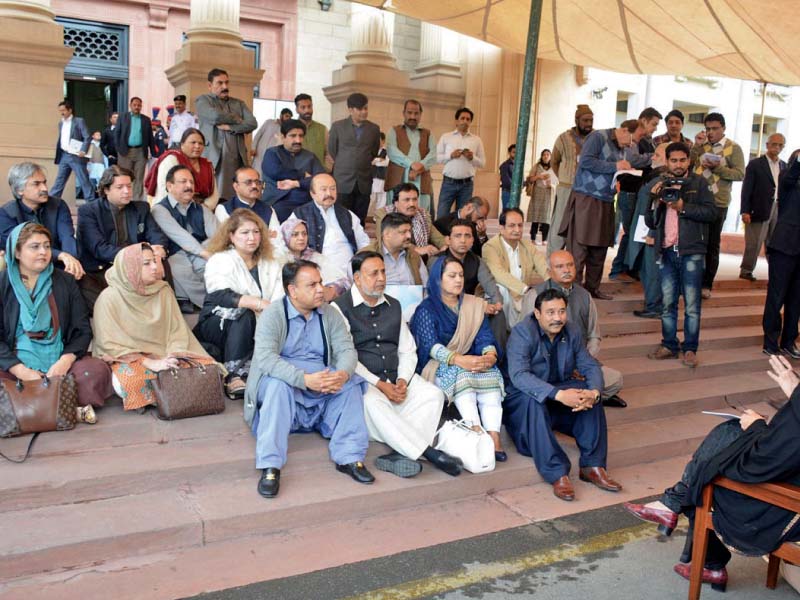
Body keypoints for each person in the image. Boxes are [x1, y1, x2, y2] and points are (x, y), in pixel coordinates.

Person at [624, 355, 800, 593]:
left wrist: (756, 427)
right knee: (724, 443)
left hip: (784, 508)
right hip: (789, 484)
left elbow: (760, 462)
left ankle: (702, 549)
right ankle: (678, 513)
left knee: (707, 476)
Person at [244, 260, 374, 499]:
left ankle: (349, 457)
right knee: (277, 387)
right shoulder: (272, 314)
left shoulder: (329, 313)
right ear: (292, 290)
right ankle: (270, 465)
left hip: (321, 382)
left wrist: (341, 374)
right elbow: (265, 359)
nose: (320, 289)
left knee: (351, 385)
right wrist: (304, 379)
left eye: (321, 283)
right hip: (286, 381)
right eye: (312, 285)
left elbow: (347, 350)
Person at [333, 251, 462, 478]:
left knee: (433, 395)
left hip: (396, 377)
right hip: (364, 381)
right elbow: (346, 357)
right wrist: (380, 384)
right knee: (371, 403)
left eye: (383, 271)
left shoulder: (394, 305)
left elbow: (407, 349)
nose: (381, 278)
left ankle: (399, 454)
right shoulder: (339, 308)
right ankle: (429, 453)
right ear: (357, 278)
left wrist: (402, 380)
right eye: (374, 273)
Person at [504, 288, 621, 501]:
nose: (557, 318)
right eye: (550, 313)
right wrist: (558, 394)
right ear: (537, 314)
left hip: (557, 392)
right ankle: (557, 473)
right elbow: (519, 376)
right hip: (523, 399)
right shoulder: (522, 332)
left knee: (587, 393)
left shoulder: (572, 331)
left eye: (561, 311)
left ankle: (592, 466)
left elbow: (589, 365)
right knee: (533, 400)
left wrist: (594, 392)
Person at [0, 223, 113, 414]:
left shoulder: (64, 281)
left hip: (60, 363)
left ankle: (29, 407)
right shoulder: (3, 284)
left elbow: (82, 330)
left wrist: (64, 362)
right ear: (17, 252)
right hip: (15, 364)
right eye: (34, 247)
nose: (43, 252)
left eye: (46, 246)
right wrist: (21, 371)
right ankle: (64, 406)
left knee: (96, 372)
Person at [92, 243, 219, 411]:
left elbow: (176, 330)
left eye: (154, 261)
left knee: (206, 369)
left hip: (166, 352)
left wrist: (173, 355)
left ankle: (158, 396)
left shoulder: (163, 291)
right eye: (146, 263)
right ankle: (167, 393)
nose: (154, 267)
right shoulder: (108, 298)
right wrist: (150, 362)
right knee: (128, 381)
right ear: (130, 267)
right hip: (132, 358)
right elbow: (109, 345)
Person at [410, 255, 506, 461]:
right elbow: (430, 346)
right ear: (438, 280)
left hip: (469, 360)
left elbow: (484, 335)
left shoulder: (473, 304)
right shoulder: (427, 309)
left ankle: (494, 436)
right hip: (438, 365)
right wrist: (459, 359)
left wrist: (489, 355)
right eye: (451, 276)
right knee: (463, 377)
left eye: (461, 275)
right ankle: (476, 431)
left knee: (491, 373)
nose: (458, 280)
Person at [194, 208, 285, 399]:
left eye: (256, 232)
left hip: (264, 318)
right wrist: (258, 303)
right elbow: (220, 296)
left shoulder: (271, 262)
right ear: (231, 236)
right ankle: (234, 375)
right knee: (244, 313)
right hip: (218, 323)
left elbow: (279, 296)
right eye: (244, 233)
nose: (251, 238)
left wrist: (271, 309)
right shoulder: (220, 260)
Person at [646, 142, 717, 368]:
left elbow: (711, 213)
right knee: (667, 304)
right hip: (666, 251)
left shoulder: (699, 183)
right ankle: (669, 344)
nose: (678, 165)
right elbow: (650, 221)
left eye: (682, 160)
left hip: (692, 251)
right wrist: (652, 199)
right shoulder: (660, 183)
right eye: (673, 160)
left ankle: (690, 349)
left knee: (692, 305)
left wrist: (682, 206)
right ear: (667, 161)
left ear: (689, 161)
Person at [532, 250, 626, 408]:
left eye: (570, 265)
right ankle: (580, 399)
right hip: (546, 367)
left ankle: (577, 400)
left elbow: (594, 336)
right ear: (549, 272)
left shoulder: (584, 296)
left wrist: (582, 364)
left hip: (578, 363)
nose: (566, 270)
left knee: (615, 380)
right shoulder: (536, 295)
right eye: (560, 266)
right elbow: (528, 339)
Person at [559, 119, 639, 300]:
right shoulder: (598, 137)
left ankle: (592, 288)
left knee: (600, 248)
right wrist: (615, 166)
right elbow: (586, 161)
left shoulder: (623, 148)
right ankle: (574, 293)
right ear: (625, 130)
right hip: (586, 198)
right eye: (632, 139)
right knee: (579, 248)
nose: (632, 144)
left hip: (606, 200)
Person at [76, 165, 168, 310]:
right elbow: (99, 249)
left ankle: (164, 310)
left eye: (129, 186)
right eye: (120, 187)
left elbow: (156, 235)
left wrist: (158, 250)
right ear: (106, 190)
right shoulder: (89, 211)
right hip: (103, 267)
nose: (126, 191)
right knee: (107, 305)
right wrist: (137, 254)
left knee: (160, 260)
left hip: (138, 265)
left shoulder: (141, 208)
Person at [690, 112, 745, 299]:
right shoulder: (701, 145)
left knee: (712, 244)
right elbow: (689, 165)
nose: (711, 132)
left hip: (718, 202)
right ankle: (690, 280)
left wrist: (717, 168)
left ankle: (707, 284)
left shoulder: (733, 148)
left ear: (723, 128)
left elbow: (740, 174)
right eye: (708, 129)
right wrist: (696, 147)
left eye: (715, 129)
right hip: (697, 199)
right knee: (694, 241)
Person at [0, 162, 84, 281]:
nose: (44, 188)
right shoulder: (6, 214)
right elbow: (22, 246)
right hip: (26, 269)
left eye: (44, 182)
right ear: (19, 190)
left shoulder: (58, 205)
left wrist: (70, 260)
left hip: (60, 266)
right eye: (36, 184)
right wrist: (61, 255)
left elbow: (67, 237)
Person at [151, 165, 218, 312]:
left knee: (212, 269)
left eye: (191, 182)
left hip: (201, 250)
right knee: (181, 270)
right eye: (183, 182)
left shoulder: (201, 208)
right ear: (170, 186)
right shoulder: (159, 209)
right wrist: (206, 253)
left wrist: (212, 251)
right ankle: (212, 306)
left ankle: (190, 300)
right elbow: (179, 236)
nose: (189, 186)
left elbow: (217, 234)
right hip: (175, 252)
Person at [608, 107, 662, 283]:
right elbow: (631, 160)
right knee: (631, 231)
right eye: (653, 124)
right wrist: (652, 158)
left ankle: (627, 267)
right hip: (629, 191)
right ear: (643, 121)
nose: (654, 128)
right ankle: (618, 268)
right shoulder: (631, 138)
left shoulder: (647, 141)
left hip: (637, 191)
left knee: (635, 231)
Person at [445, 219, 508, 350]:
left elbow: (490, 284)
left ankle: (497, 357)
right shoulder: (438, 261)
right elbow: (441, 296)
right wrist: (478, 307)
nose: (463, 240)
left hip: (471, 309)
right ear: (448, 240)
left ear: (473, 240)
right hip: (447, 309)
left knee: (498, 315)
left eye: (467, 236)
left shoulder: (476, 261)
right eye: (458, 236)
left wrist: (497, 304)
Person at [196, 68, 258, 201]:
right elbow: (215, 116)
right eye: (219, 83)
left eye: (226, 82)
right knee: (213, 197)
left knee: (238, 195)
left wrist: (230, 127)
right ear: (209, 85)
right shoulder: (203, 100)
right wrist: (237, 119)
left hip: (237, 158)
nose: (225, 87)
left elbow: (252, 123)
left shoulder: (238, 103)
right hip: (214, 158)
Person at [483, 208, 548, 328]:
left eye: (520, 225)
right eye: (512, 226)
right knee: (502, 289)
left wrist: (552, 282)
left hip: (523, 295)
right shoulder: (490, 247)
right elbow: (498, 273)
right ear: (501, 228)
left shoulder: (527, 245)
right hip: (505, 294)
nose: (517, 230)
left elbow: (542, 265)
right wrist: (525, 289)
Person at [762, 150, 800, 359]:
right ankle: (770, 342)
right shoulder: (788, 181)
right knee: (776, 297)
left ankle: (789, 342)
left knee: (796, 300)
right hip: (783, 248)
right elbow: (791, 175)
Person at [627, 143, 668, 319]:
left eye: (657, 155)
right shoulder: (656, 175)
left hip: (652, 230)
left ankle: (655, 306)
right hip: (644, 226)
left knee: (652, 270)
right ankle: (652, 304)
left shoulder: (664, 179)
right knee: (645, 268)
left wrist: (653, 234)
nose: (652, 157)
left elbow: (660, 210)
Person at [292, 173, 370, 266]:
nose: (329, 193)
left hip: (347, 271)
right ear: (312, 193)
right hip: (315, 270)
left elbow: (364, 242)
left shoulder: (347, 214)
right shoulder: (299, 214)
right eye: (323, 189)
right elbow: (285, 241)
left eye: (333, 189)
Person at [328, 92, 381, 225]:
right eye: (360, 109)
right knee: (341, 219)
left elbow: (373, 152)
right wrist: (346, 162)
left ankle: (359, 246)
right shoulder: (337, 127)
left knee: (359, 220)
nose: (364, 112)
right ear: (350, 109)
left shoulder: (374, 129)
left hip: (363, 181)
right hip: (343, 181)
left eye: (366, 108)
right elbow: (333, 150)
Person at [548, 104, 594, 257]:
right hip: (566, 189)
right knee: (559, 225)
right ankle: (552, 261)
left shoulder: (596, 138)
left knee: (582, 227)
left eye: (591, 120)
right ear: (576, 120)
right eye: (585, 120)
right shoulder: (563, 138)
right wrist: (565, 178)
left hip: (588, 191)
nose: (588, 124)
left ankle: (574, 262)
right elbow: (554, 161)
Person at [739, 133, 786, 282]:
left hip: (778, 207)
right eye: (774, 144)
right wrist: (745, 210)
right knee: (754, 242)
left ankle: (775, 272)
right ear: (767, 145)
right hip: (758, 208)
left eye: (780, 145)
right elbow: (746, 189)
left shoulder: (784, 165)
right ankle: (746, 270)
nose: (776, 147)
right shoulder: (755, 164)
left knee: (775, 243)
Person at [261, 119, 325, 222]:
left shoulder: (310, 157)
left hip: (305, 202)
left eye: (301, 136)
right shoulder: (272, 153)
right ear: (283, 137)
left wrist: (297, 183)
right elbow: (275, 172)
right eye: (293, 136)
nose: (298, 140)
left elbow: (321, 180)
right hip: (278, 201)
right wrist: (302, 175)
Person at [216, 167, 285, 254]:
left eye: (257, 182)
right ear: (236, 186)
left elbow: (276, 239)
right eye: (249, 182)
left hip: (265, 255)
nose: (254, 186)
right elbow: (228, 241)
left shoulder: (268, 209)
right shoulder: (223, 209)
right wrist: (264, 235)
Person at [147, 127, 218, 211]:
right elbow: (164, 190)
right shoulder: (171, 160)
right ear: (182, 144)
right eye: (193, 142)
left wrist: (204, 209)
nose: (197, 146)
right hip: (172, 209)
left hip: (202, 209)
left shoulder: (207, 165)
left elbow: (214, 194)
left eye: (201, 143)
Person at [280, 216, 349, 302]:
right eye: (295, 234)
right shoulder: (278, 260)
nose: (301, 238)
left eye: (304, 234)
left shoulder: (316, 257)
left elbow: (343, 281)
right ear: (285, 236)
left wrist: (331, 290)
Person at [384, 99, 437, 210]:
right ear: (404, 113)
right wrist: (411, 163)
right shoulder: (394, 131)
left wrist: (419, 168)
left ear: (420, 114)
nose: (413, 116)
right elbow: (392, 151)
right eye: (409, 112)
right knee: (395, 216)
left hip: (422, 181)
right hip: (398, 179)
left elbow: (433, 155)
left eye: (416, 113)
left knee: (421, 215)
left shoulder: (428, 134)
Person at [436, 107, 486, 219]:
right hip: (448, 183)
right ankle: (441, 236)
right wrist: (450, 155)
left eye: (468, 119)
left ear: (470, 122)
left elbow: (482, 163)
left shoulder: (476, 140)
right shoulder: (446, 137)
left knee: (463, 216)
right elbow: (437, 158)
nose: (465, 121)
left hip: (466, 185)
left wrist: (472, 157)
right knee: (442, 214)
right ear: (456, 121)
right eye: (462, 118)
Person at [374, 183, 446, 260]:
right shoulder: (384, 214)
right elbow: (384, 241)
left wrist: (445, 246)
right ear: (396, 203)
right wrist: (416, 249)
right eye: (407, 200)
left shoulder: (422, 215)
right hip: (395, 258)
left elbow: (438, 238)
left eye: (414, 199)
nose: (412, 204)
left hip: (420, 259)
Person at [361, 212, 428, 286]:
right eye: (403, 232)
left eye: (409, 231)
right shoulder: (367, 256)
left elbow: (426, 287)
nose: (409, 236)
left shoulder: (413, 254)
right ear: (387, 235)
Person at [49, 100, 95, 202]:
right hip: (64, 155)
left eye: (64, 110)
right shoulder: (60, 123)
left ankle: (91, 203)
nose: (62, 113)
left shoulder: (79, 121)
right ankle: (51, 201)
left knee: (83, 180)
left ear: (70, 110)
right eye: (60, 110)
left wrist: (83, 150)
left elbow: (87, 136)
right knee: (59, 180)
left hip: (76, 155)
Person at [115, 97, 153, 201]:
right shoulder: (123, 117)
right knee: (124, 177)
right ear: (130, 105)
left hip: (141, 152)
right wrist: (118, 149)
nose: (137, 107)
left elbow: (150, 137)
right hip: (125, 152)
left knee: (138, 178)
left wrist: (153, 152)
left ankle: (137, 202)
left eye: (139, 105)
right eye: (135, 105)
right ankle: (124, 199)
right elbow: (117, 133)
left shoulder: (146, 119)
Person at [525, 149, 557, 243]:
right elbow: (529, 179)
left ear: (551, 156)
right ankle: (533, 238)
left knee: (546, 217)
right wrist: (538, 177)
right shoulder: (537, 166)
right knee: (535, 216)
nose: (546, 156)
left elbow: (558, 181)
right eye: (544, 155)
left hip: (548, 194)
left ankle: (545, 239)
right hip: (537, 193)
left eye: (548, 154)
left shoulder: (554, 167)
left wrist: (551, 184)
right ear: (541, 156)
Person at [251, 107, 292, 178]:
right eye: (286, 116)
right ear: (281, 115)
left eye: (289, 117)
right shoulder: (269, 122)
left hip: (272, 156)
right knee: (255, 173)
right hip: (259, 153)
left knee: (267, 175)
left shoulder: (286, 130)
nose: (288, 119)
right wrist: (253, 148)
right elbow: (258, 135)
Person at [294, 93, 328, 167]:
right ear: (297, 110)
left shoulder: (322, 129)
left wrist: (326, 169)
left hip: (318, 175)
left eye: (309, 106)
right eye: (303, 107)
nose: (307, 110)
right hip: (296, 174)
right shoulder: (289, 128)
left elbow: (329, 153)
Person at [499, 144, 516, 212]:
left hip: (515, 192)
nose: (516, 154)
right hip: (507, 192)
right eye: (514, 152)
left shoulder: (518, 165)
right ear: (509, 153)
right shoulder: (505, 165)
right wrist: (516, 187)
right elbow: (506, 180)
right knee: (507, 212)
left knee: (514, 212)